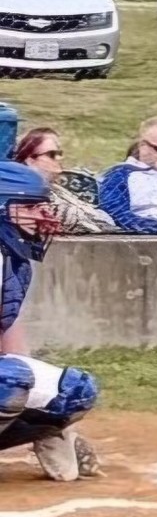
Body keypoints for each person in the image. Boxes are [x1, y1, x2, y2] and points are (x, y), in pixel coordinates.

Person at [0, 161, 102, 481]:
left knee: (73, 391)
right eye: (29, 206)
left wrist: (44, 415)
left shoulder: (12, 258)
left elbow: (9, 337)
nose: (41, 214)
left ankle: (49, 436)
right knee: (8, 381)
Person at [13, 127, 118, 234]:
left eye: (60, 153)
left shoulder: (54, 188)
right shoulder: (30, 194)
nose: (59, 158)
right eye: (52, 154)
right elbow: (99, 224)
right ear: (30, 159)